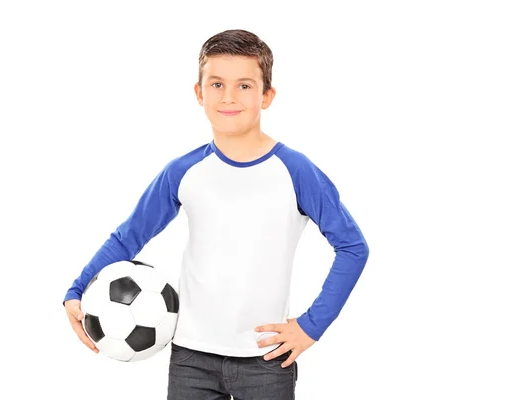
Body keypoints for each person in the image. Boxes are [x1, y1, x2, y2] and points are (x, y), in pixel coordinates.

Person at [64, 29, 369, 399]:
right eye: (217, 84)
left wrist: (310, 327)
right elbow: (130, 236)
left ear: (267, 96)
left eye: (244, 86)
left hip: (267, 358)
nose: (228, 97)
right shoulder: (183, 171)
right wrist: (78, 289)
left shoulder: (296, 171)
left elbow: (353, 247)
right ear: (199, 93)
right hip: (191, 359)